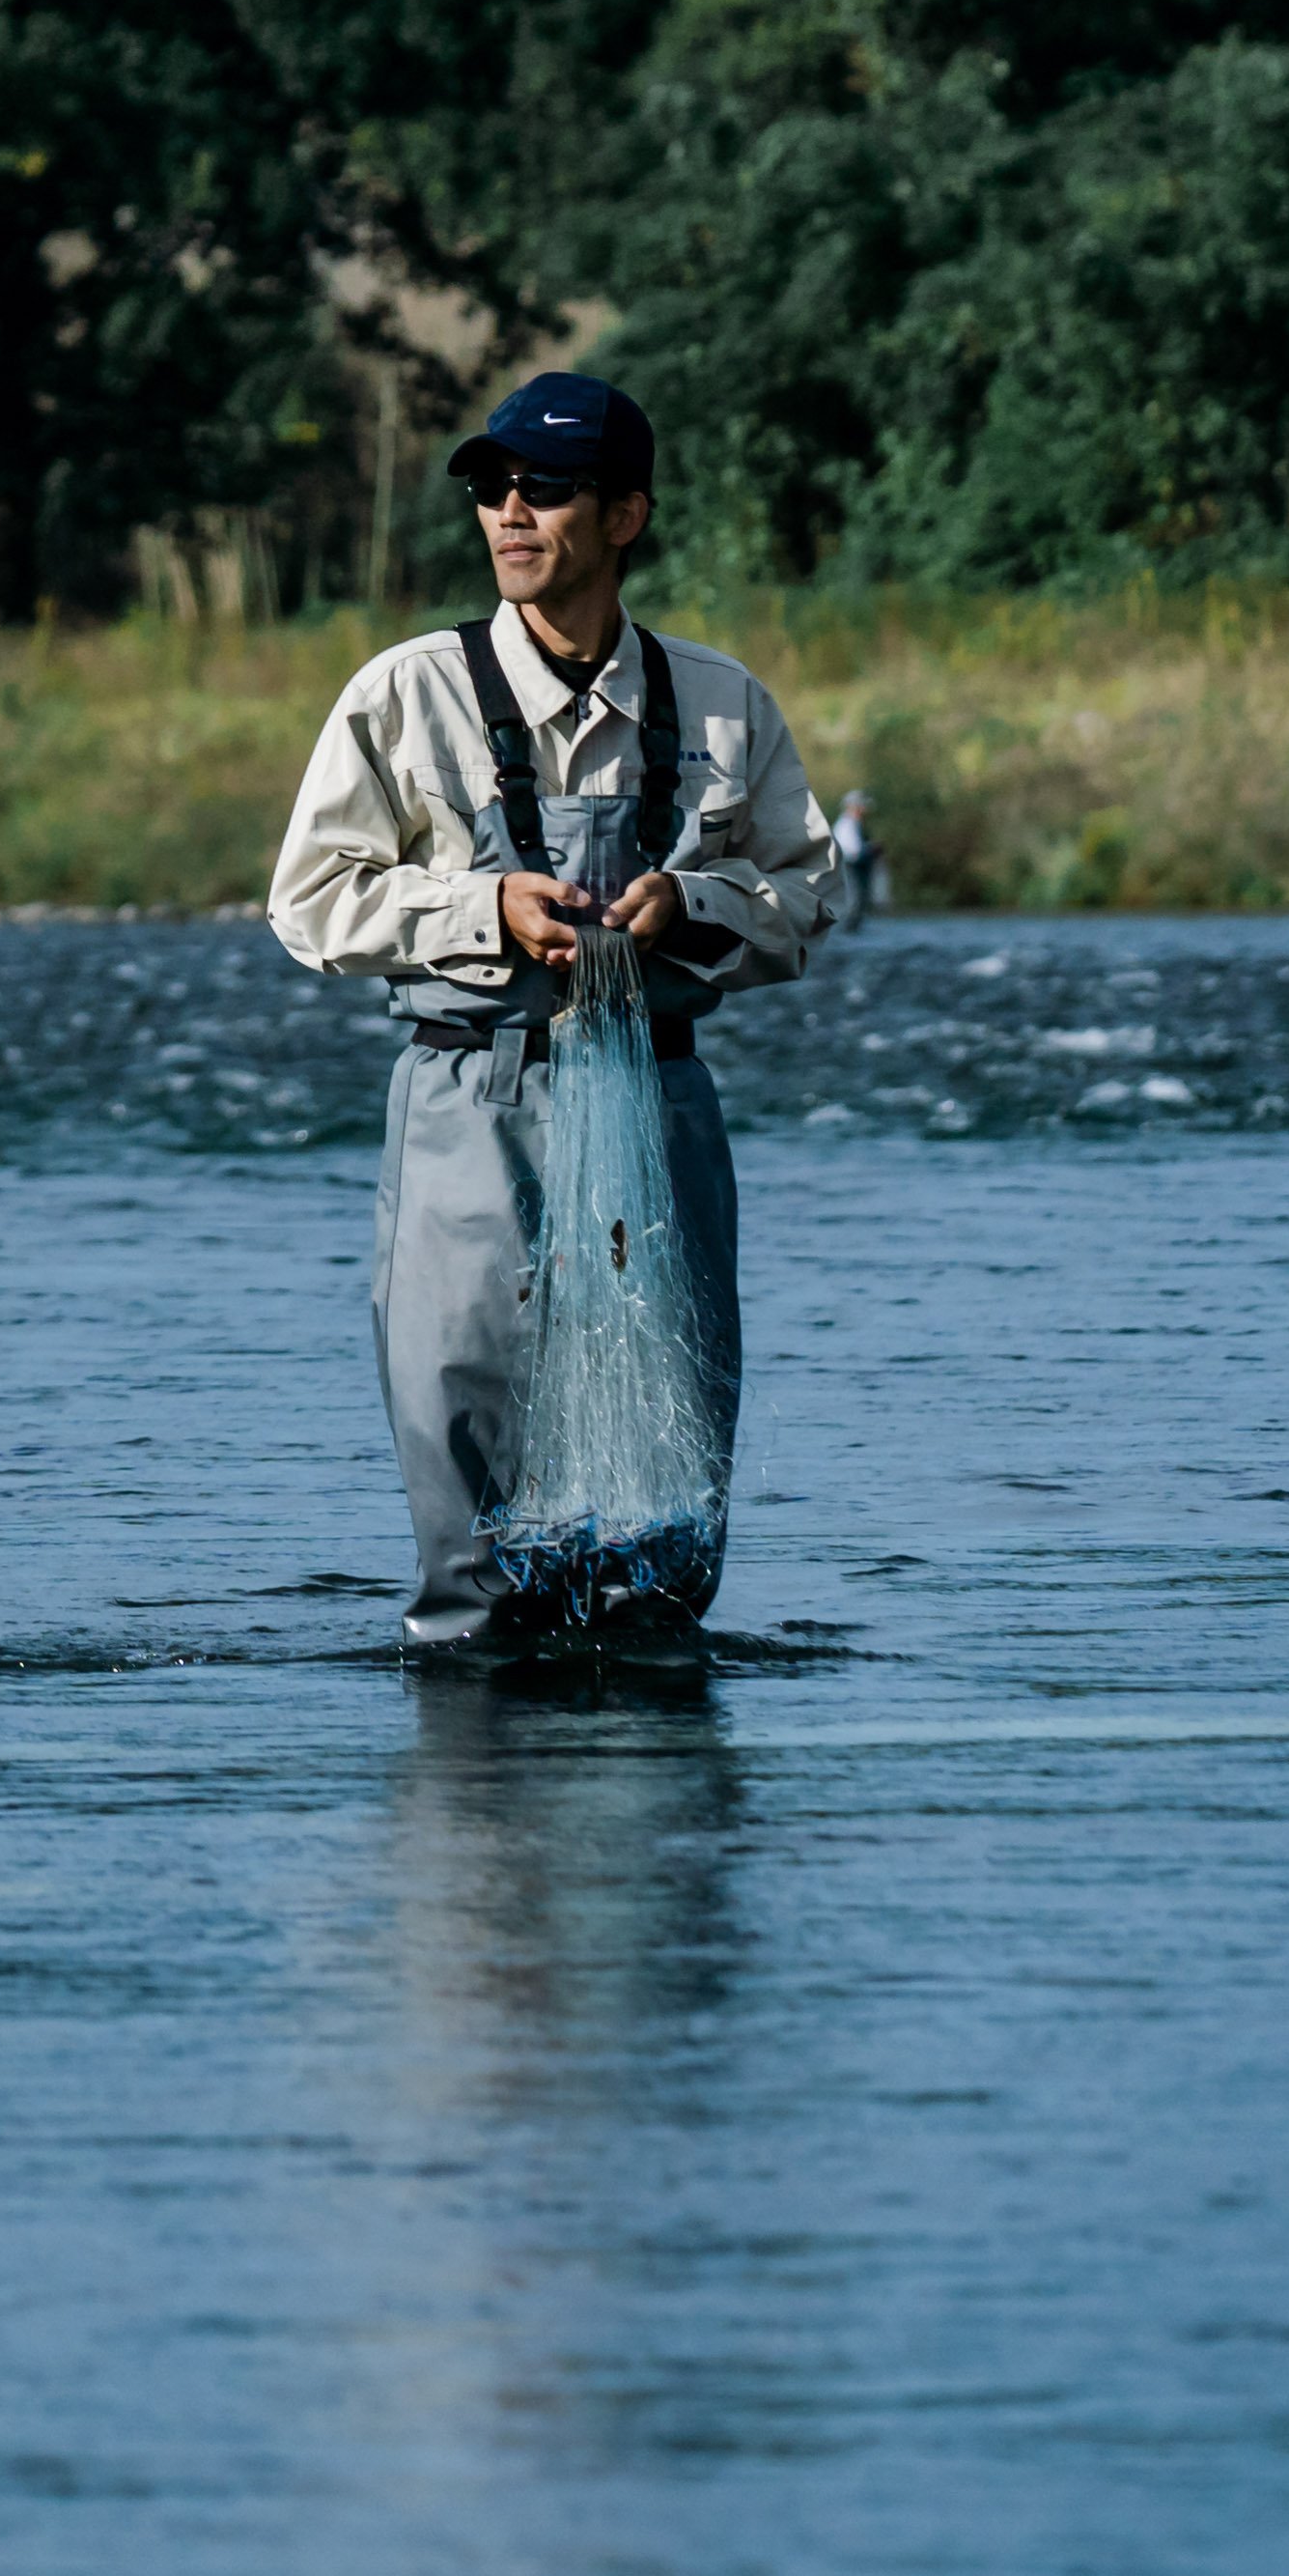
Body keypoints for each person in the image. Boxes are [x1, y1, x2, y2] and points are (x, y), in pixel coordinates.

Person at [263, 369, 848, 1656]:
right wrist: (484, 913)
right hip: (468, 1100)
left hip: (655, 1091)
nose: (509, 510)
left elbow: (809, 893)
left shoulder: (724, 702)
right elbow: (308, 901)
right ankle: (480, 1820)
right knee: (470, 1504)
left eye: (546, 486)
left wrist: (690, 905)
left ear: (627, 512)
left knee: (660, 1512)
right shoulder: (404, 693)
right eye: (490, 485)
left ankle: (657, 1813)